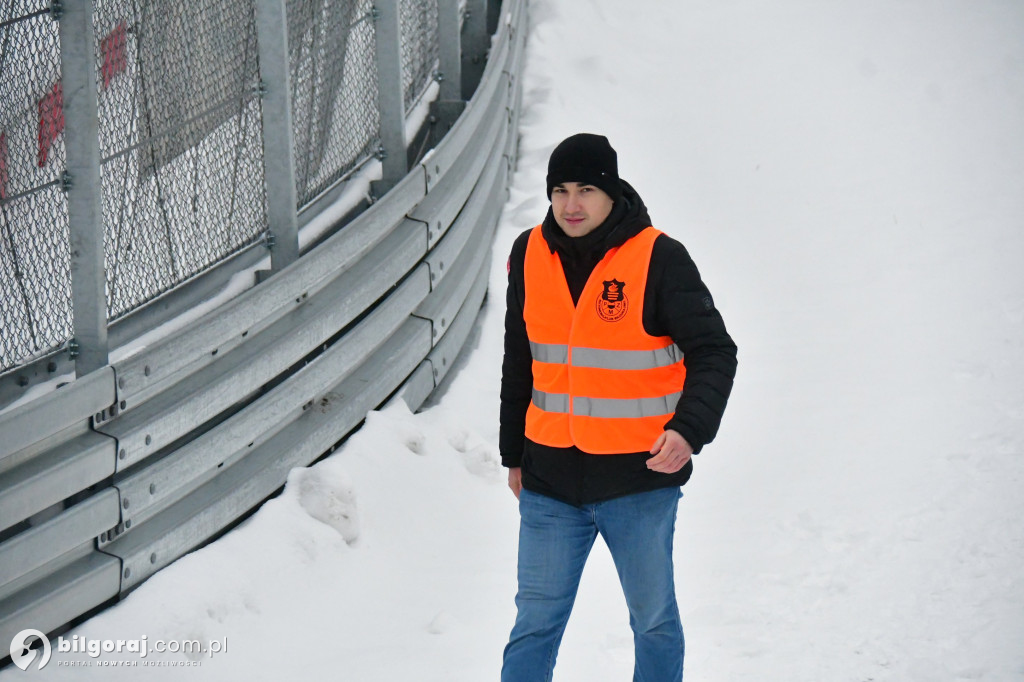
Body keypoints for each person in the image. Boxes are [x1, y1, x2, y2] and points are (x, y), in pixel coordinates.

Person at [499, 133, 737, 682]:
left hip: (639, 482)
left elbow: (714, 352)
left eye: (585, 190)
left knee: (652, 622)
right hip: (549, 483)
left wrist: (688, 430)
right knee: (533, 624)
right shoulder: (528, 254)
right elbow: (521, 361)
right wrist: (515, 455)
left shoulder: (659, 258)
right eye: (559, 190)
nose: (570, 205)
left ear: (611, 193)